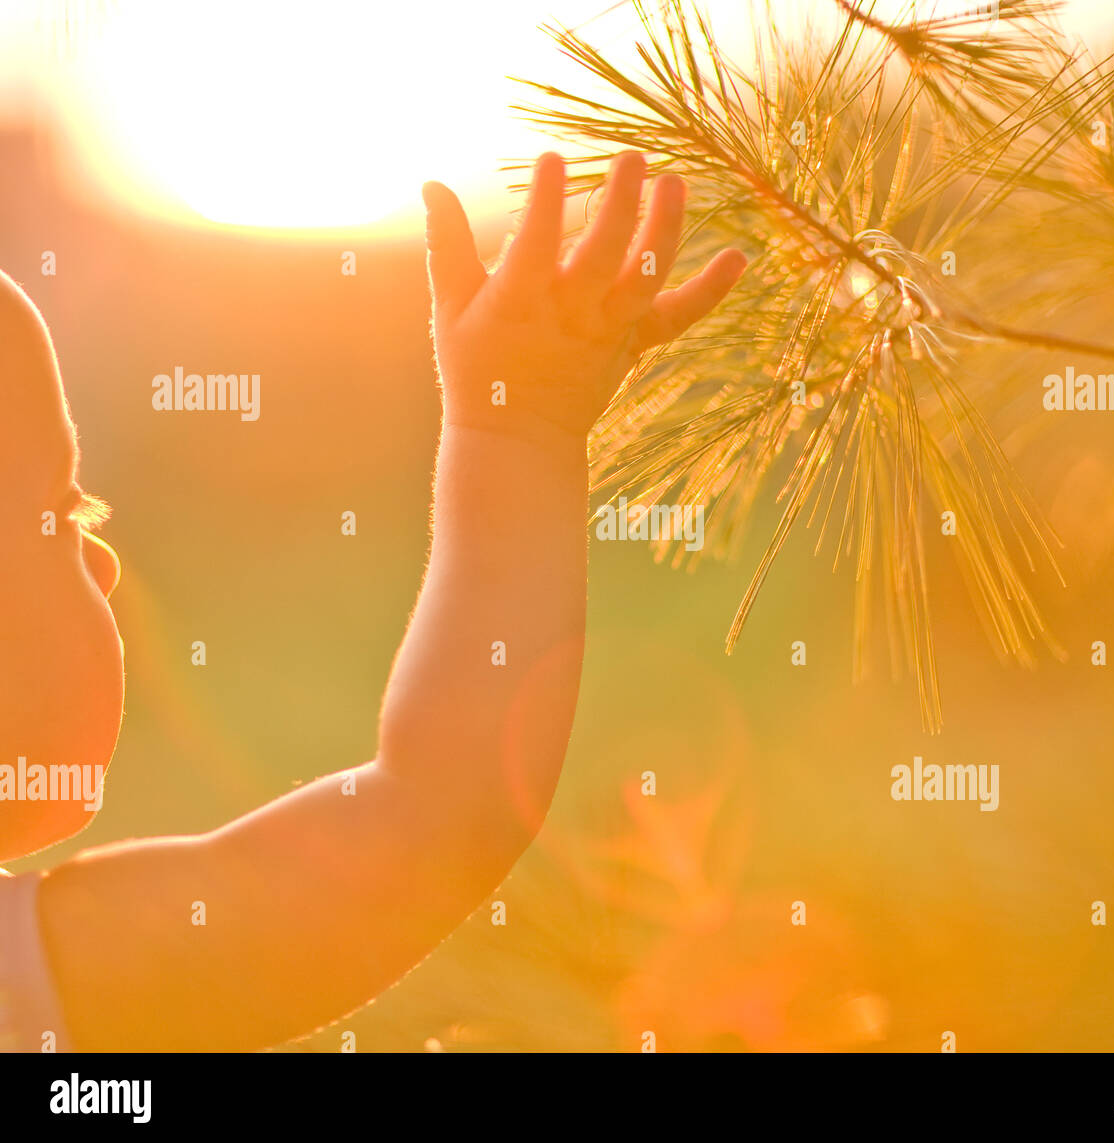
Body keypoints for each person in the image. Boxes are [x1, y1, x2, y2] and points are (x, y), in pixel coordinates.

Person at [0, 151, 747, 1051]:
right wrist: (521, 429)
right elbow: (432, 826)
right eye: (61, 512)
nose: (108, 564)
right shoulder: (46, 972)